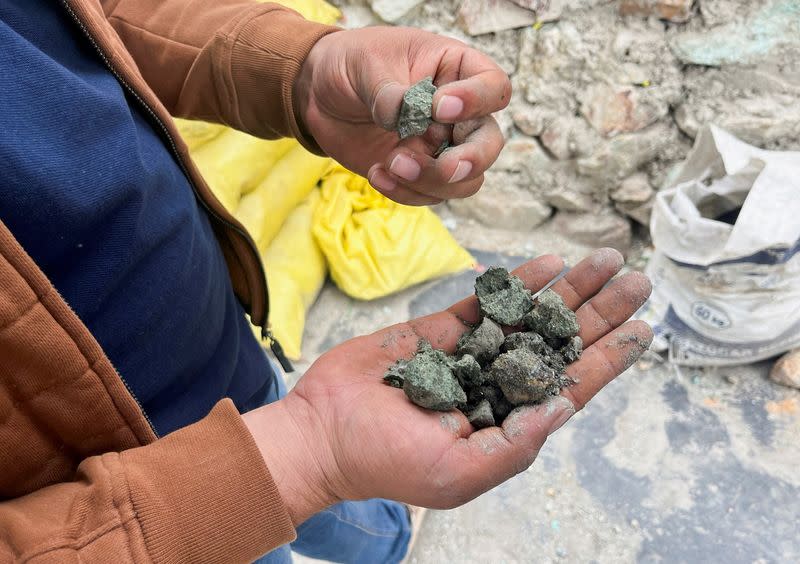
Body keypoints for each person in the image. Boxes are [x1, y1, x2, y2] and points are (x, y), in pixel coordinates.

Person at [0, 0, 654, 562]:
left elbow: (76, 23)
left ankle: (387, 538)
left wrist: (295, 74)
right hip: (144, 511)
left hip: (219, 351)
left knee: (344, 485)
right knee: (287, 506)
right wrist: (301, 460)